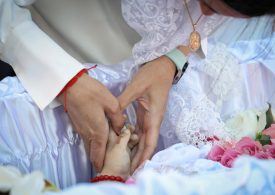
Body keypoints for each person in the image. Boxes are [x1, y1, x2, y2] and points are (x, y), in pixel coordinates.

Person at [1, 0, 275, 189]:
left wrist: (173, 58)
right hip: (64, 57)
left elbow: (194, 26)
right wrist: (64, 80)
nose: (202, 10)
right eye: (209, 4)